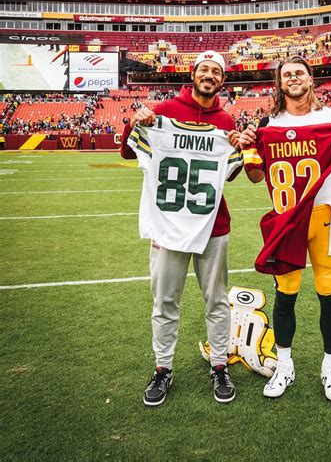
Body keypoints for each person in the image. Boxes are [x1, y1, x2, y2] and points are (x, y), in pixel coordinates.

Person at [239, 56, 331, 402]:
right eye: (287, 75)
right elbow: (256, 176)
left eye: (299, 72)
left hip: (325, 216)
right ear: (280, 83)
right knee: (286, 295)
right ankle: (285, 365)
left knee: (329, 293)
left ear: (310, 78)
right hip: (287, 219)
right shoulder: (268, 123)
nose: (294, 78)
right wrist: (246, 147)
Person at [121, 51, 242, 407]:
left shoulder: (226, 121)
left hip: (212, 225)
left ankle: (219, 364)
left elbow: (230, 174)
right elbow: (129, 154)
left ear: (222, 80)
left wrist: (237, 146)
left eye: (216, 71)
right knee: (164, 301)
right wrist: (136, 122)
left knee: (217, 300)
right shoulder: (163, 113)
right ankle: (163, 368)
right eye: (204, 69)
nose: (209, 75)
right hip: (168, 223)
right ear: (193, 74)